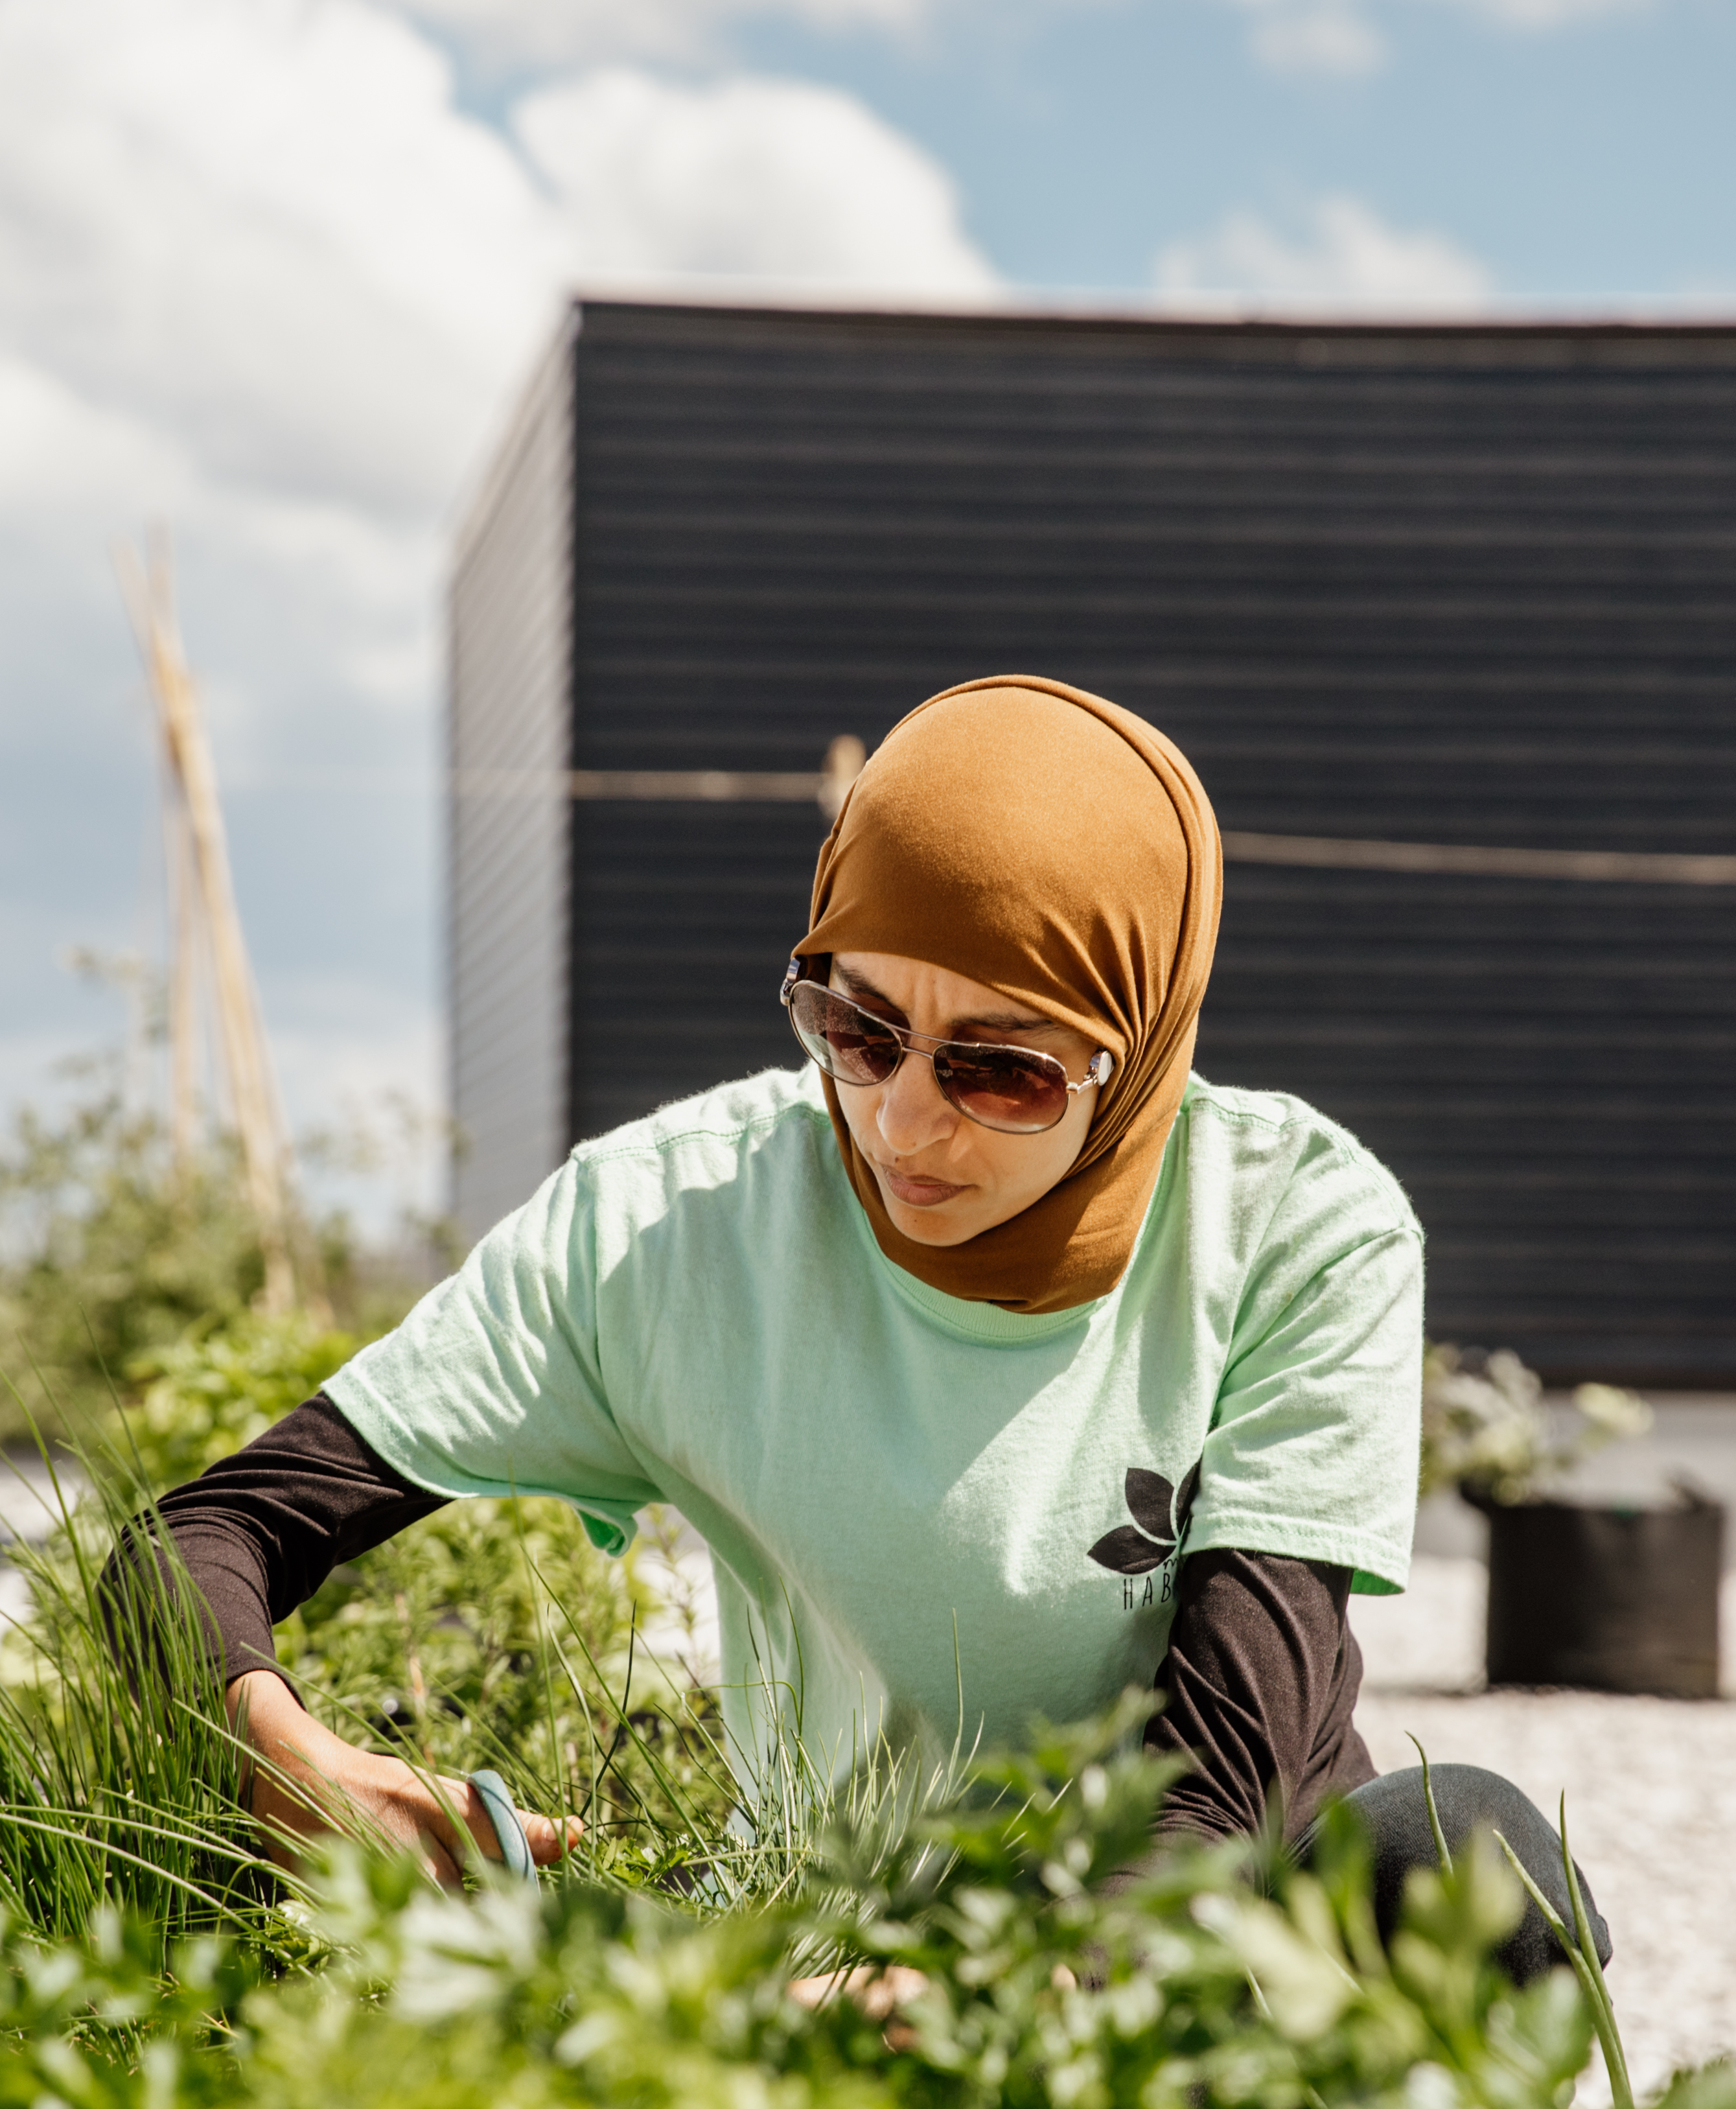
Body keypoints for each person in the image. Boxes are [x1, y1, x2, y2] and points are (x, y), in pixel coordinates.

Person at [144, 673, 1606, 1982]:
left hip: (1215, 1951)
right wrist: (282, 1748)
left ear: (1141, 1038)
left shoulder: (1297, 1227)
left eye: (1006, 1070)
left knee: (1474, 1859)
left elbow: (1220, 1783)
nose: (903, 1119)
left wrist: (992, 1999)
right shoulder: (668, 1226)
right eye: (854, 1030)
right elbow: (196, 1535)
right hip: (832, 1945)